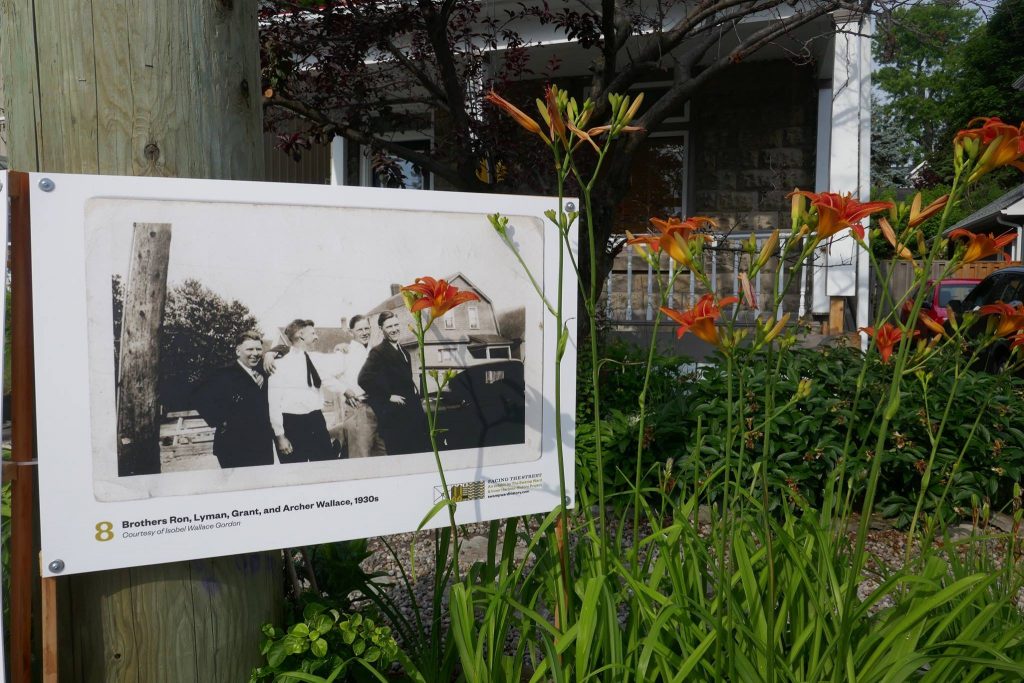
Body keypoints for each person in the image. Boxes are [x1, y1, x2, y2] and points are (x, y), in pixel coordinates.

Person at [267, 319, 349, 463]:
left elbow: (333, 370)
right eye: (313, 333)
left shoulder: (315, 358)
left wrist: (341, 347)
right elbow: (273, 405)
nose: (317, 337)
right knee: (296, 470)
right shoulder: (279, 365)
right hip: (292, 424)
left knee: (325, 465)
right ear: (301, 335)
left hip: (316, 420)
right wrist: (280, 436)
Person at [191, 330, 275, 468]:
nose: (255, 353)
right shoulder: (224, 374)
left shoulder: (263, 370)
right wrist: (219, 420)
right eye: (249, 349)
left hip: (262, 445)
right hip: (232, 446)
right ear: (238, 352)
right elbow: (197, 395)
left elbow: (286, 348)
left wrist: (270, 354)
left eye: (259, 349)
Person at [358, 311, 429, 455]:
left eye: (396, 325)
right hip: (396, 418)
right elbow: (364, 379)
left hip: (412, 414)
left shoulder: (404, 351)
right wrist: (387, 396)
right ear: (381, 329)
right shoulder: (378, 352)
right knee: (402, 456)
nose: (394, 329)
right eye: (389, 326)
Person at [337, 315, 387, 457]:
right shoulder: (345, 352)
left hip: (379, 408)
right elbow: (328, 376)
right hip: (359, 408)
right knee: (361, 456)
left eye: (367, 328)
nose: (364, 332)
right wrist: (344, 391)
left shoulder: (375, 351)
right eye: (360, 329)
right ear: (351, 332)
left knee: (382, 454)